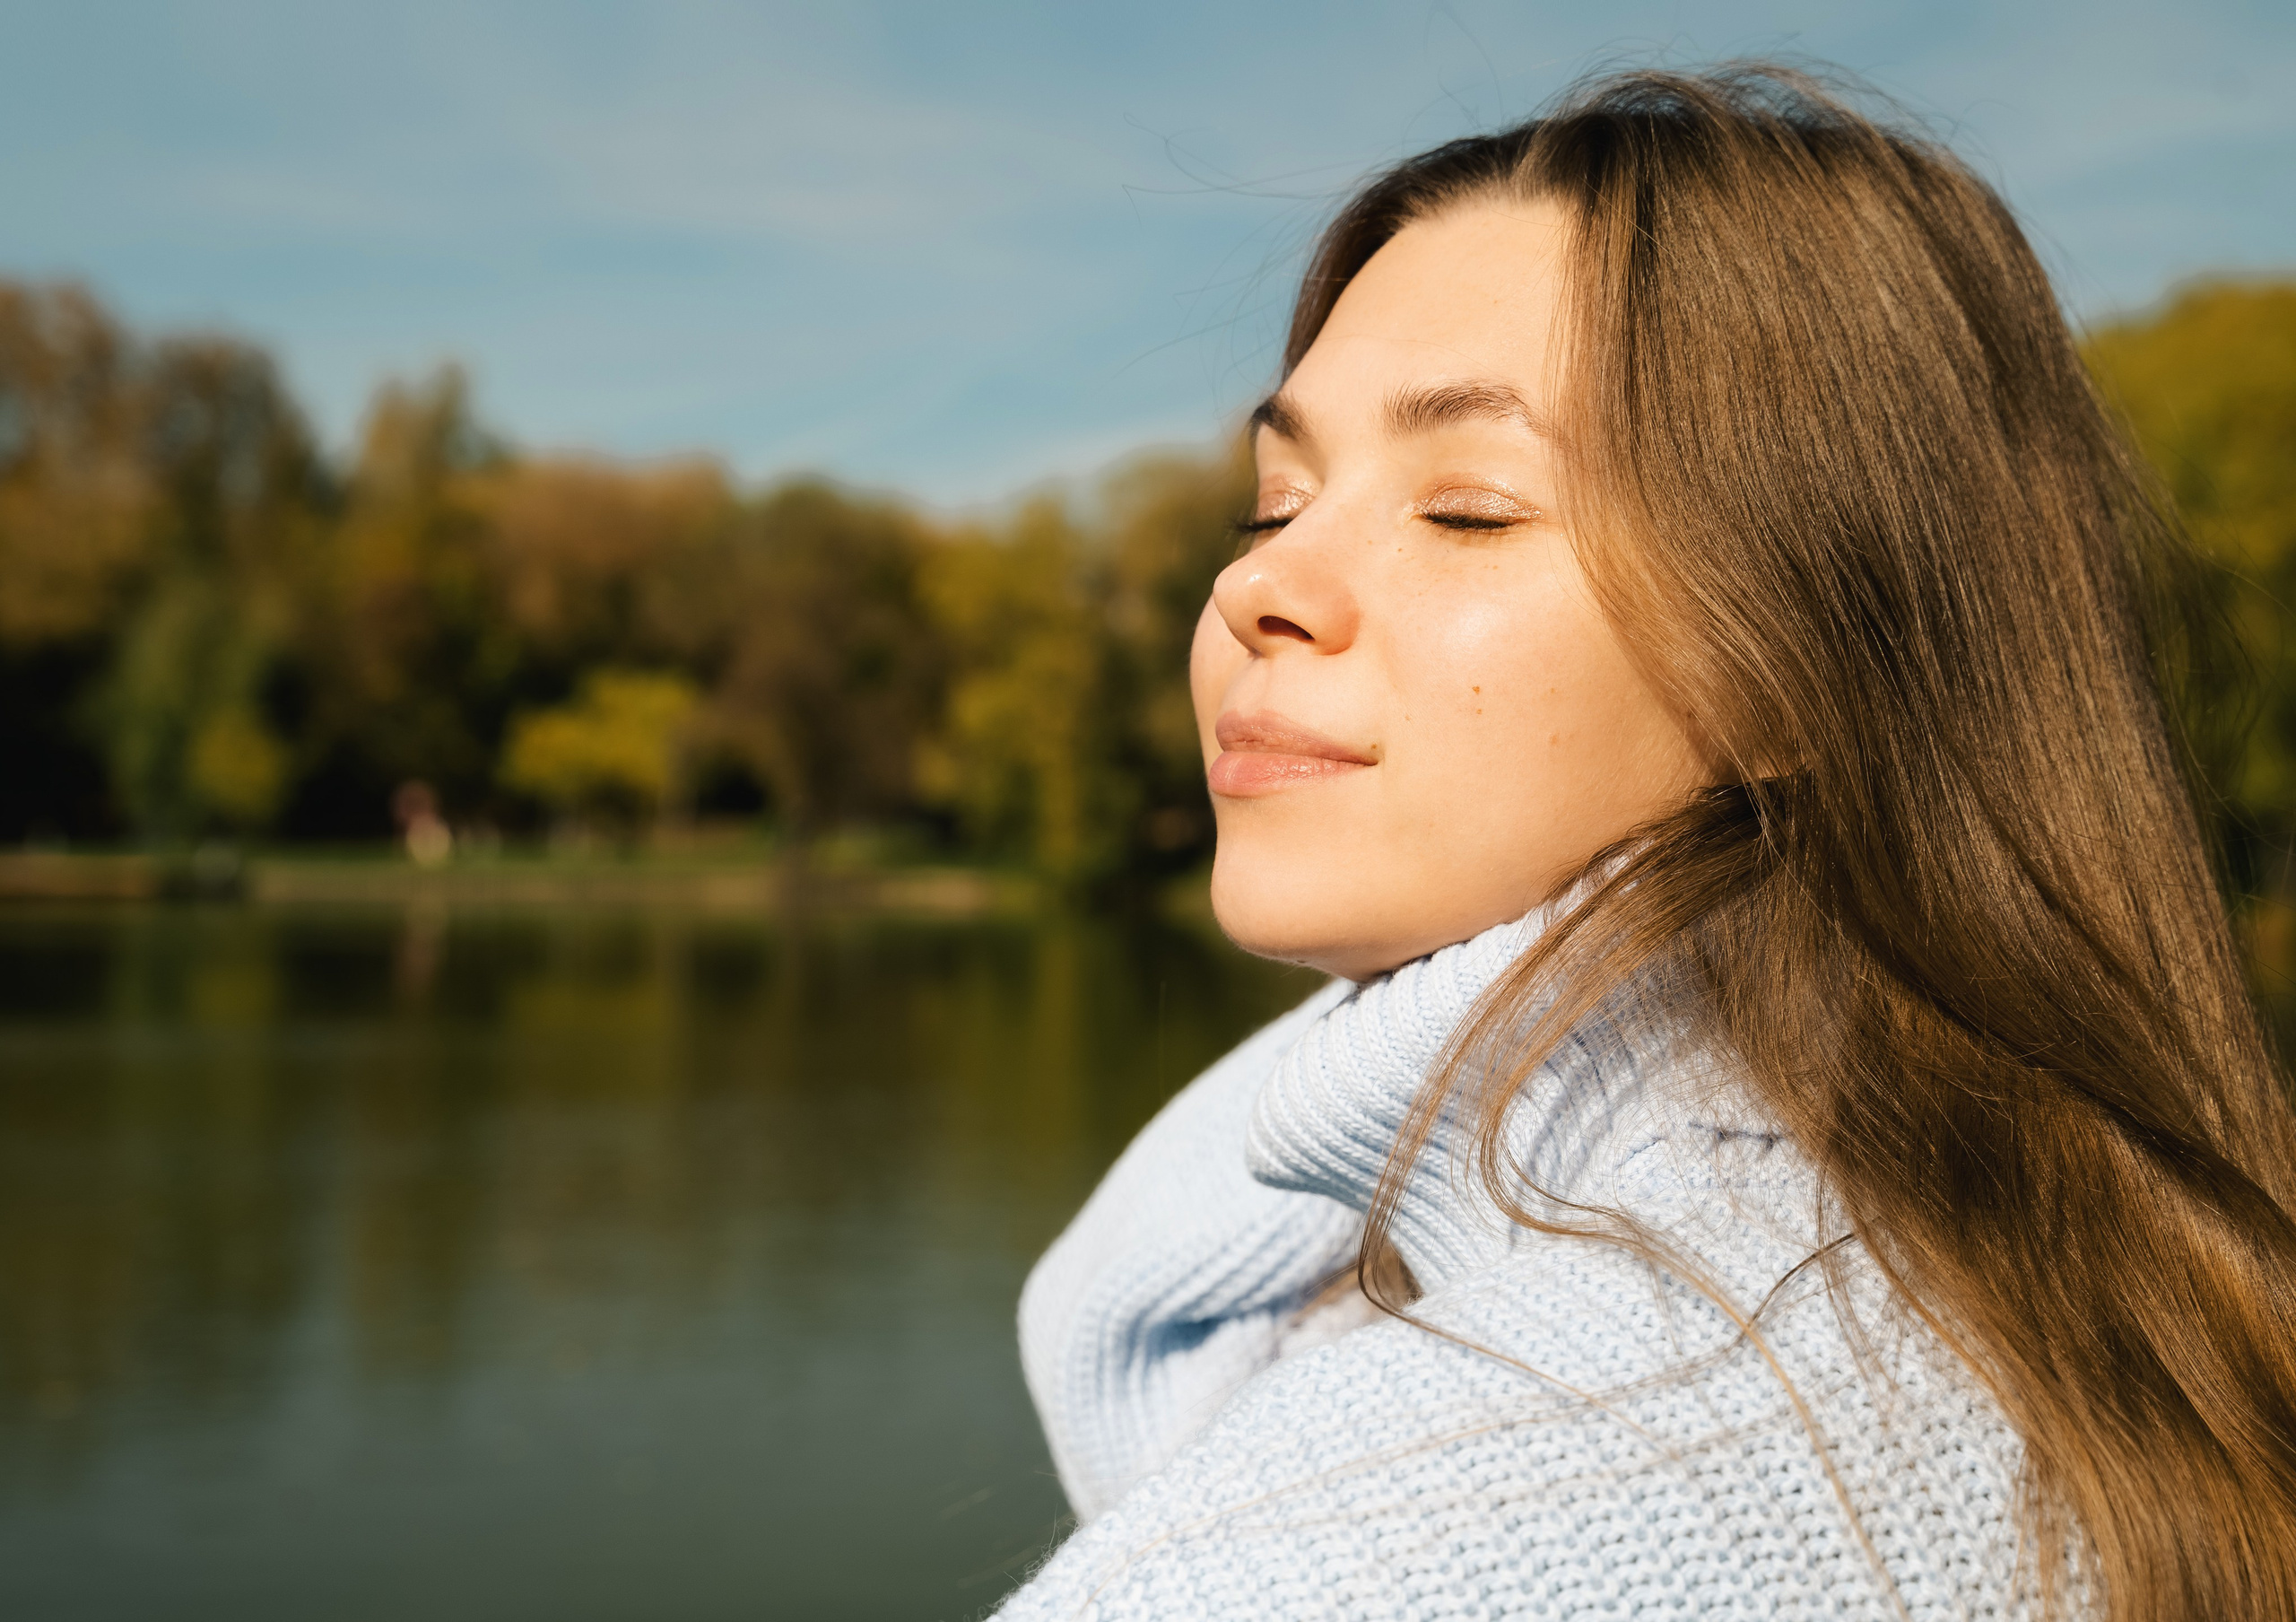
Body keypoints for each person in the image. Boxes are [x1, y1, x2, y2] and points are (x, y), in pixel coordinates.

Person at [994, 65, 2296, 1622]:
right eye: (1276, 505)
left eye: (1467, 508)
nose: (1254, 589)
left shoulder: (1519, 1496)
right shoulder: (2006, 1277)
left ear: (1808, 655)